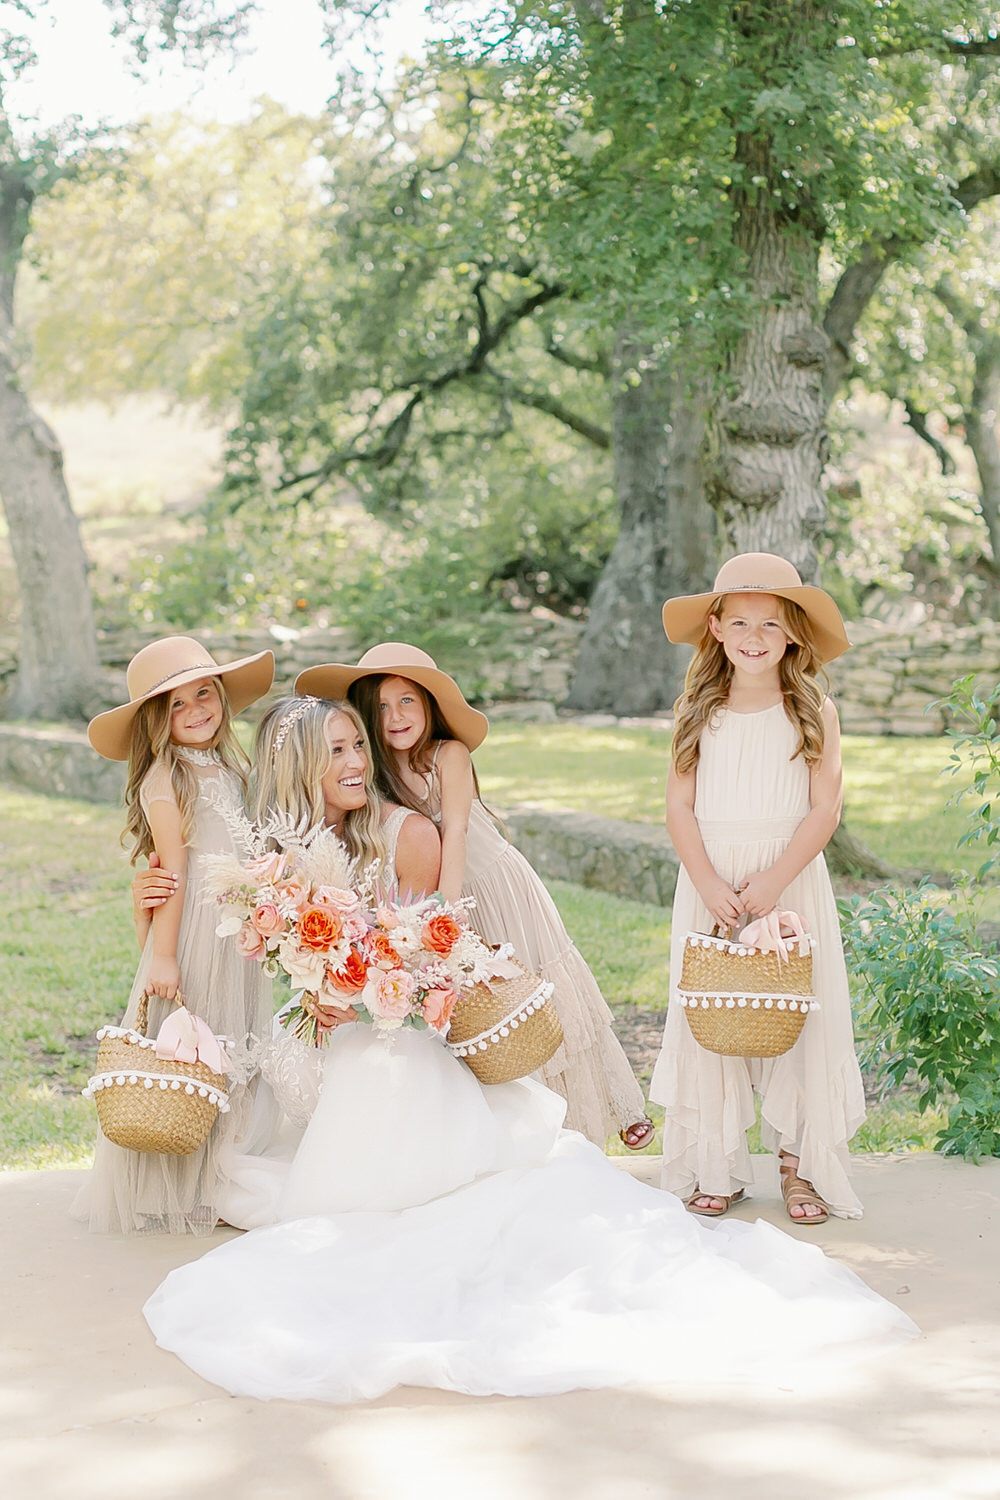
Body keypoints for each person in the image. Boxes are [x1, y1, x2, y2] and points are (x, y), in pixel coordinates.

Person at [294, 643, 654, 1152]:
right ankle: (519, 1117)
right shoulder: (375, 772)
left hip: (492, 884)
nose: (395, 717)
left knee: (536, 985)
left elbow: (457, 832)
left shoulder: (448, 754)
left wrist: (446, 911)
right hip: (443, 895)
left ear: (429, 706)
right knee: (482, 1008)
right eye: (381, 708)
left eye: (407, 702)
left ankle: (610, 1107)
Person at [650, 553, 864, 1224]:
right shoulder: (697, 708)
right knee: (714, 1015)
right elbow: (679, 807)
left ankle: (801, 1171)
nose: (753, 636)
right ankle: (717, 1163)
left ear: (792, 631)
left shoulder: (811, 709)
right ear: (714, 627)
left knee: (795, 1015)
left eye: (769, 625)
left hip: (787, 874)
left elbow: (824, 809)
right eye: (739, 621)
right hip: (712, 878)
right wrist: (710, 882)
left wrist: (774, 883)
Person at [72, 636, 275, 1235]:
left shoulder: (230, 767)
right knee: (191, 1055)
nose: (195, 711)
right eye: (176, 705)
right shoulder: (167, 779)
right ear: (157, 721)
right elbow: (172, 875)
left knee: (232, 1046)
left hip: (234, 932)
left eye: (203, 694)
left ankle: (223, 1170)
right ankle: (181, 1182)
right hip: (192, 939)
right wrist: (162, 956)